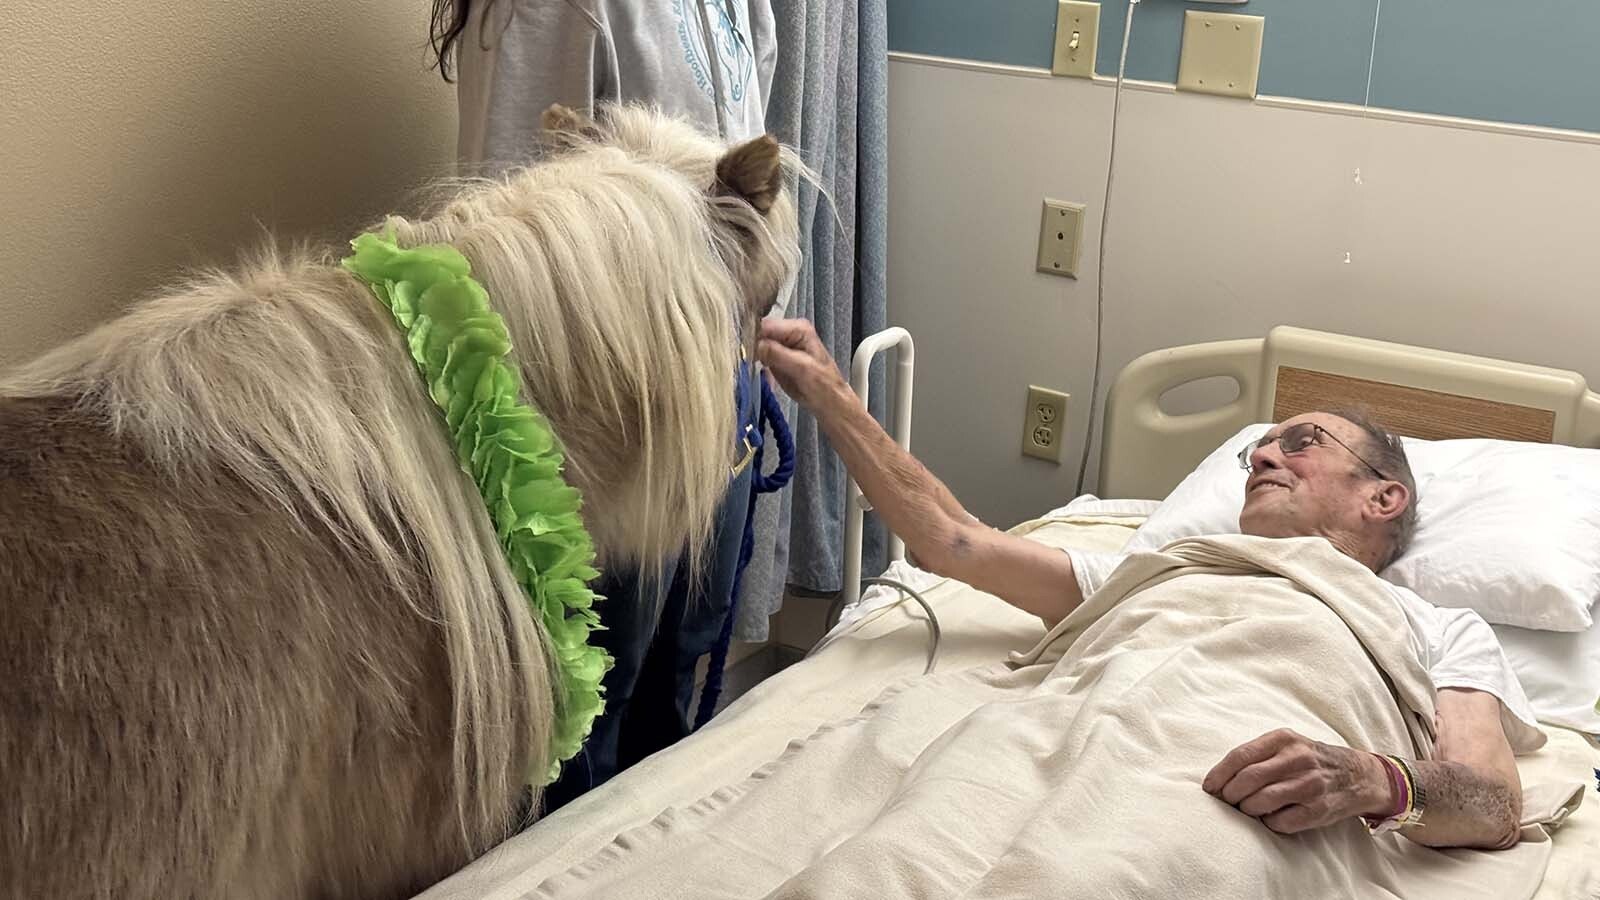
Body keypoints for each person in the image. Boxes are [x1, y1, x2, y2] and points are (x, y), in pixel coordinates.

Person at [756, 316, 1537, 851]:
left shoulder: (1434, 627)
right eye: (1257, 450)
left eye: (1300, 443)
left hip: (1230, 796)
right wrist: (831, 392)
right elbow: (953, 543)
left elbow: (1494, 804)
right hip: (1052, 746)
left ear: (1383, 498)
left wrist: (1372, 779)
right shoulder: (1171, 565)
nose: (1264, 457)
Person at [429, 0, 778, 806]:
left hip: (718, 388)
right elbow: (506, 236)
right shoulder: (555, 11)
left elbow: (745, 186)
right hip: (607, 428)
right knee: (590, 698)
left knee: (684, 657)